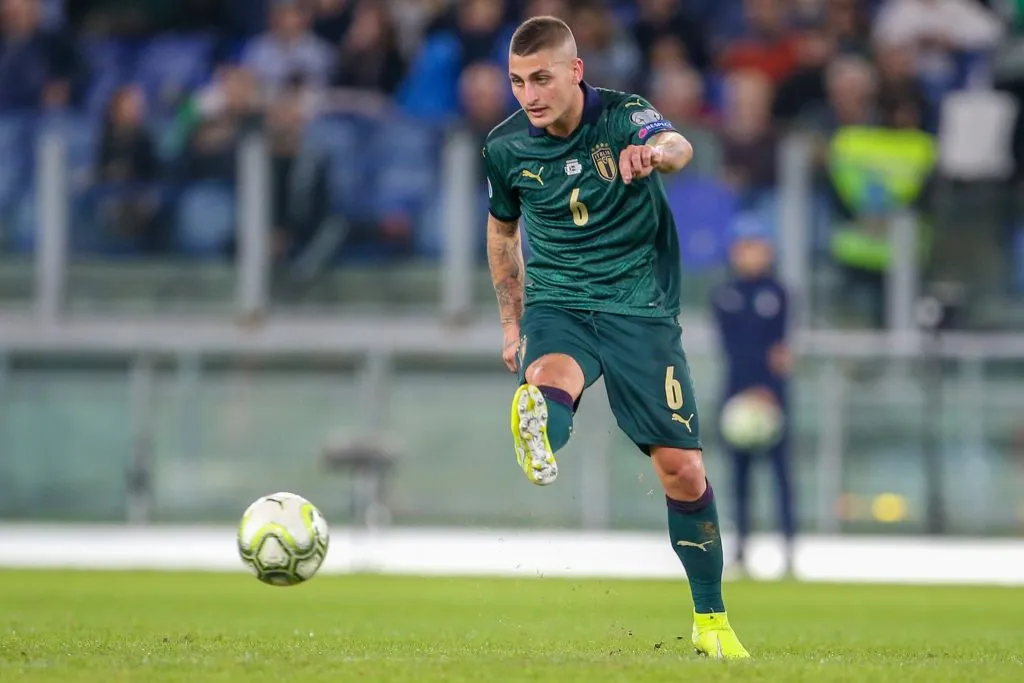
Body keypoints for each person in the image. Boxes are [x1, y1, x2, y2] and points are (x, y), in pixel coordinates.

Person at [483, 16, 749, 659]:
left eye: (541, 78)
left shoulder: (625, 116)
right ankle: (540, 423)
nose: (529, 95)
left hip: (640, 309)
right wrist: (512, 322)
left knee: (683, 472)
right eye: (517, 81)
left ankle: (710, 620)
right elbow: (500, 234)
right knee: (552, 377)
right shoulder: (505, 147)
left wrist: (657, 155)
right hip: (560, 303)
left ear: (575, 71)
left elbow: (680, 146)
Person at [710, 222, 796, 578]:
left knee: (781, 475)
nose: (752, 254)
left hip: (773, 395)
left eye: (758, 246)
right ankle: (741, 549)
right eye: (745, 246)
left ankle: (790, 550)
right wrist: (746, 390)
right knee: (738, 478)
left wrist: (768, 389)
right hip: (736, 393)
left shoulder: (779, 293)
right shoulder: (724, 294)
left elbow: (780, 350)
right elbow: (731, 348)